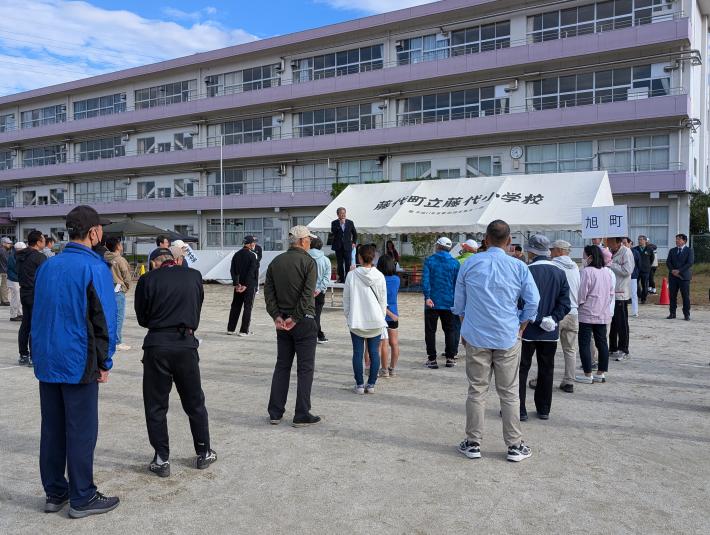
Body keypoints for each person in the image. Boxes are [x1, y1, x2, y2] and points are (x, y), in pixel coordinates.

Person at [32, 205, 120, 518]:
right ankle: (83, 495)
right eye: (101, 229)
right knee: (81, 430)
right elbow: (105, 321)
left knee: (53, 429)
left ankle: (56, 492)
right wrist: (105, 362)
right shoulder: (94, 267)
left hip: (47, 358)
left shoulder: (48, 265)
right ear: (94, 232)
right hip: (77, 359)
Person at [453, 220, 539, 462]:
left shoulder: (469, 264)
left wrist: (465, 328)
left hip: (476, 336)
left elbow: (459, 304)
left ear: (486, 239)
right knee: (509, 392)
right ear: (509, 241)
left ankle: (473, 443)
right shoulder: (519, 267)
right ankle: (514, 445)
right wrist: (521, 326)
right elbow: (533, 302)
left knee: (477, 391)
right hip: (507, 336)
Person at [135, 245, 216, 477]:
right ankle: (204, 451)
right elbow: (197, 307)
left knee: (156, 404)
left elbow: (142, 318)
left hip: (157, 343)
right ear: (176, 260)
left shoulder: (148, 280)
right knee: (194, 402)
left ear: (154, 263)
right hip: (185, 342)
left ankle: (161, 458)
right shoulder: (194, 276)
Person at [265, 225, 321, 427]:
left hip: (283, 321)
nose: (310, 242)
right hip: (303, 320)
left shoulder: (276, 262)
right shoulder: (308, 262)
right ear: (303, 241)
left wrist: (277, 316)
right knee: (305, 368)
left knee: (282, 366)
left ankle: (275, 411)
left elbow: (268, 293)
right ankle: (301, 413)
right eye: (308, 239)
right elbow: (307, 294)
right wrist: (296, 317)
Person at [519, 235, 570, 421]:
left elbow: (519, 301)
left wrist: (535, 318)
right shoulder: (559, 272)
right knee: (546, 369)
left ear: (531, 251)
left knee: (522, 369)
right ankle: (543, 409)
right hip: (550, 329)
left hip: (527, 328)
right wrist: (553, 318)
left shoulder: (525, 270)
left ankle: (519, 409)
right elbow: (565, 303)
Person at [343, 244, 387, 394]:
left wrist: (348, 315)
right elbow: (383, 300)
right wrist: (381, 316)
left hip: (356, 319)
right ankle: (372, 384)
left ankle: (360, 384)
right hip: (375, 319)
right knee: (374, 352)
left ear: (359, 257)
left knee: (357, 352)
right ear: (373, 257)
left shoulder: (352, 275)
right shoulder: (379, 275)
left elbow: (346, 299)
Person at [575, 245, 615, 385]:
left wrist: (579, 304)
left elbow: (582, 294)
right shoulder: (606, 272)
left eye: (585, 255)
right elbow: (611, 293)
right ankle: (601, 373)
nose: (584, 258)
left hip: (587, 312)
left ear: (590, 257)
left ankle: (588, 374)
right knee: (602, 343)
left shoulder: (586, 272)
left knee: (584, 343)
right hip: (602, 313)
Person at [422, 237, 460, 369]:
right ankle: (450, 358)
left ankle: (432, 359)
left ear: (438, 246)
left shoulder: (430, 261)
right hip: (449, 301)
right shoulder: (455, 263)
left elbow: (425, 280)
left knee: (430, 331)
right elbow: (457, 285)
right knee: (450, 330)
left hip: (432, 301)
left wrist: (427, 296)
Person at [548, 240, 580, 393]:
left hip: (557, 312)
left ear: (559, 251)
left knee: (548, 348)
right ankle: (569, 381)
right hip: (573, 312)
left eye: (552, 249)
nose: (550, 252)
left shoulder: (553, 266)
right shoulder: (576, 267)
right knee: (570, 349)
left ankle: (544, 378)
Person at [16, 230, 47, 366]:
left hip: (24, 292)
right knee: (37, 326)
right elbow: (46, 278)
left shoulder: (19, 255)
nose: (45, 241)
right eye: (43, 239)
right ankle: (35, 357)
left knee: (25, 324)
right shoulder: (39, 257)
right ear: (38, 242)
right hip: (36, 294)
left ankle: (23, 354)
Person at [607, 237, 634, 361]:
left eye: (611, 243)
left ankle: (624, 349)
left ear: (618, 242)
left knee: (621, 322)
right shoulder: (609, 251)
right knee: (612, 322)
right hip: (610, 292)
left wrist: (611, 264)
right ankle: (612, 348)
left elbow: (627, 271)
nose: (609, 245)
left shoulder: (626, 252)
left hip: (621, 292)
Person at [227, 236, 259, 336]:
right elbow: (252, 271)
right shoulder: (253, 255)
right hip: (249, 285)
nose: (254, 244)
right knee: (248, 307)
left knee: (235, 306)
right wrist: (246, 285)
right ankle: (244, 331)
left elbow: (233, 271)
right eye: (253, 243)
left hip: (238, 285)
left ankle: (230, 329)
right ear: (250, 244)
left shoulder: (236, 254)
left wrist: (237, 284)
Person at [104, 236, 132, 351]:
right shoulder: (120, 260)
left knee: (108, 316)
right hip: (118, 289)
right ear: (117, 246)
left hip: (107, 290)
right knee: (119, 316)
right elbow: (127, 276)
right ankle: (117, 341)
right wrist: (126, 287)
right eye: (120, 244)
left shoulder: (104, 258)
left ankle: (109, 339)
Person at [377, 255, 400, 378]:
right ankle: (393, 368)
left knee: (382, 344)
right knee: (394, 343)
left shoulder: (379, 279)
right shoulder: (396, 279)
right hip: (394, 314)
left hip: (381, 314)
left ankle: (384, 369)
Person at [308, 237, 331, 344]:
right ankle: (318, 336)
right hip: (319, 292)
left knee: (305, 314)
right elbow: (327, 277)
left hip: (306, 290)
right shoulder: (326, 260)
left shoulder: (305, 257)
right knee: (316, 314)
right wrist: (319, 289)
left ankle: (317, 335)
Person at [666, 233, 694, 321]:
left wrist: (679, 271)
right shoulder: (672, 250)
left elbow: (690, 263)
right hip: (673, 277)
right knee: (672, 296)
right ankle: (672, 313)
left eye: (678, 239)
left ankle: (686, 314)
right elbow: (668, 262)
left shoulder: (689, 250)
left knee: (685, 296)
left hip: (684, 277)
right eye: (676, 239)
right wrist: (672, 271)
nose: (676, 241)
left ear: (684, 241)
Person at [330, 207, 357, 283]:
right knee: (340, 263)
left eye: (344, 213)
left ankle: (348, 279)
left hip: (348, 246)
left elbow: (355, 234)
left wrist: (354, 242)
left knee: (348, 263)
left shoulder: (350, 222)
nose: (343, 215)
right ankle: (341, 278)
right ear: (338, 214)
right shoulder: (334, 223)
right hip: (338, 246)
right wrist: (340, 225)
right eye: (341, 213)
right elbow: (333, 233)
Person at [633, 235, 654, 304]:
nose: (640, 241)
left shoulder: (649, 249)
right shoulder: (635, 249)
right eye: (639, 239)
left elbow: (652, 259)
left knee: (645, 285)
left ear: (645, 241)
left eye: (641, 239)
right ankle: (639, 295)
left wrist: (647, 265)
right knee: (635, 284)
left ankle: (643, 298)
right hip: (636, 269)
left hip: (645, 270)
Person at [7, 241, 25, 321]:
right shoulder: (12, 256)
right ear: (19, 249)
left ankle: (19, 313)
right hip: (13, 279)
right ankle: (13, 315)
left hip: (17, 279)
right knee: (15, 298)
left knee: (19, 298)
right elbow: (16, 268)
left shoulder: (16, 255)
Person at [624, 237, 640, 317]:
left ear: (630, 243)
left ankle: (635, 311)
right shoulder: (620, 252)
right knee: (623, 294)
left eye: (625, 243)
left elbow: (639, 264)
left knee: (633, 294)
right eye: (622, 243)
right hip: (623, 276)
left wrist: (636, 274)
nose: (623, 245)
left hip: (633, 276)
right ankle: (623, 311)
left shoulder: (635, 252)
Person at [0, 236, 11, 306]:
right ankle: (5, 300)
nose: (9, 245)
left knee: (2, 286)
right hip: (4, 271)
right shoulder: (3, 251)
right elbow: (7, 261)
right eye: (8, 243)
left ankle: (2, 300)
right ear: (3, 243)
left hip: (2, 270)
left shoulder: (2, 250)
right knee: (4, 286)